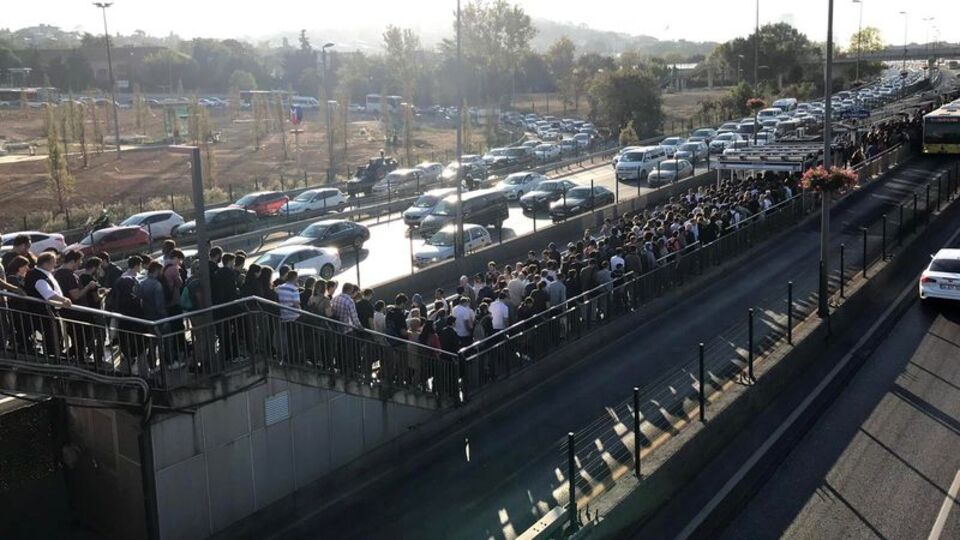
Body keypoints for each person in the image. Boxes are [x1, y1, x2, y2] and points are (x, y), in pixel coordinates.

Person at [23, 252, 72, 358]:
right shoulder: (38, 276)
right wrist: (64, 300)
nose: (55, 265)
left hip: (48, 308)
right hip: (43, 309)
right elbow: (48, 294)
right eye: (53, 263)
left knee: (56, 331)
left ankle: (56, 351)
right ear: (46, 263)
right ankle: (53, 353)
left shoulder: (43, 273)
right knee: (53, 331)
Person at [276, 270, 301, 363]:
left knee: (286, 337)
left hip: (283, 315)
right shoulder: (294, 289)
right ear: (295, 278)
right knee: (294, 339)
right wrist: (301, 311)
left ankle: (286, 356)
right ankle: (294, 357)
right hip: (293, 316)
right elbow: (296, 304)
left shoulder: (280, 287)